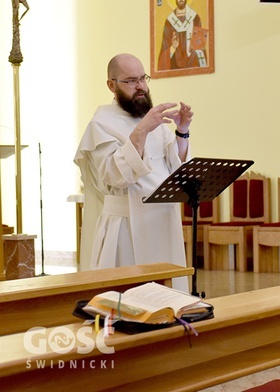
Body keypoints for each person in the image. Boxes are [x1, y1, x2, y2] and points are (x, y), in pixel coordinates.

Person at [74, 53, 193, 292]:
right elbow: (114, 176)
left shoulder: (153, 121)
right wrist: (142, 130)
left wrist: (182, 131)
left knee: (168, 295)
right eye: (130, 81)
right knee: (129, 299)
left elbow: (174, 166)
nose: (140, 87)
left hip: (162, 219)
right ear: (111, 85)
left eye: (142, 78)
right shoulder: (101, 124)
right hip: (126, 226)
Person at [157, 0, 208, 71]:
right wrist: (172, 48)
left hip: (192, 60)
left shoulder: (195, 17)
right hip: (174, 64)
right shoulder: (169, 21)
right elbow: (164, 50)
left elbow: (200, 45)